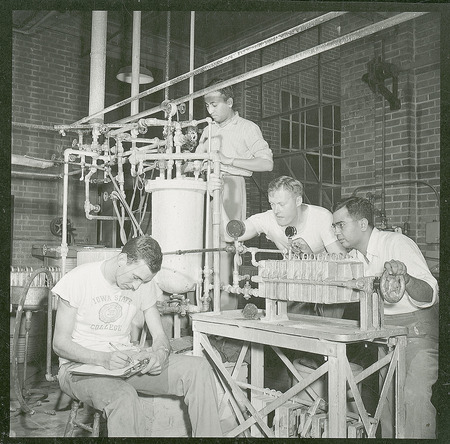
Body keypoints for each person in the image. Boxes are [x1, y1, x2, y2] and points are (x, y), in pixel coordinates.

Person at [52, 235, 223, 437]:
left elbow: (160, 335)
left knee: (198, 368)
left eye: (143, 281)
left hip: (124, 363)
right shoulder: (79, 279)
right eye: (135, 278)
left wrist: (159, 354)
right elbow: (59, 344)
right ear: (122, 260)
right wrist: (103, 359)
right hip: (78, 369)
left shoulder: (143, 284)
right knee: (124, 396)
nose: (136, 287)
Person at [332, 196, 438, 439]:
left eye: (341, 225)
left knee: (414, 400)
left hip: (417, 331)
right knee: (388, 403)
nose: (336, 232)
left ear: (362, 224)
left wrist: (407, 279)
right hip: (386, 332)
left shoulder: (397, 244)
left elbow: (430, 293)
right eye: (334, 226)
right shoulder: (356, 257)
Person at [195, 78, 274, 309]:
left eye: (215, 105)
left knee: (225, 250)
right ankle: (200, 310)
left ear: (229, 101)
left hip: (231, 186)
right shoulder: (207, 130)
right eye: (207, 106)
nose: (210, 110)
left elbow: (266, 163)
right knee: (201, 250)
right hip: (206, 186)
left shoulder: (247, 128)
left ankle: (225, 314)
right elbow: (197, 160)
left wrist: (227, 160)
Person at [221, 175, 347, 318]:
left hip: (329, 286)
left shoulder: (321, 217)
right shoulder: (268, 219)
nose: (276, 211)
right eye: (272, 204)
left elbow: (342, 261)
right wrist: (218, 198)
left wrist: (312, 257)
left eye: (282, 204)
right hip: (296, 284)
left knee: (327, 333)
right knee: (291, 330)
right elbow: (229, 235)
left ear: (298, 200)